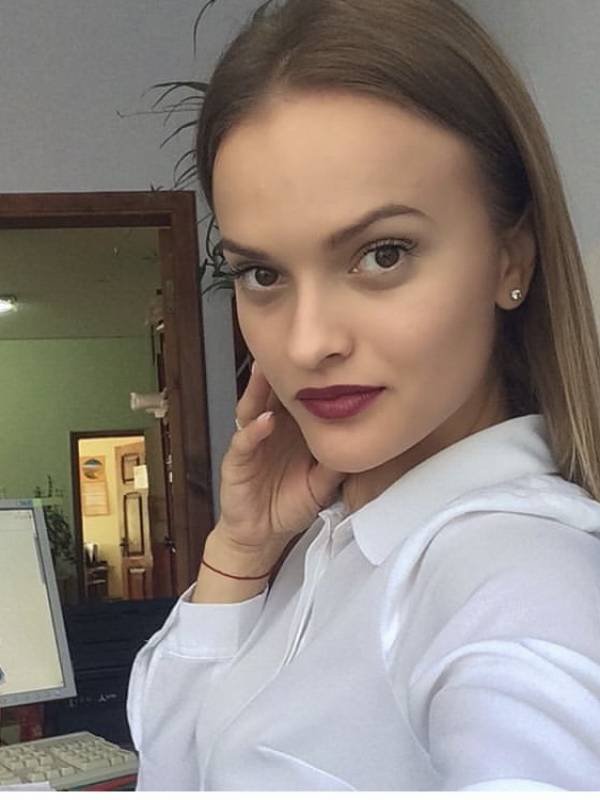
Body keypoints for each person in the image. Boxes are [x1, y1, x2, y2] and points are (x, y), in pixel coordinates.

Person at [126, 0, 600, 790]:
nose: (306, 343)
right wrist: (240, 555)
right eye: (262, 273)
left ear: (510, 259)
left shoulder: (519, 575)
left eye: (383, 254)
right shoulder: (324, 541)